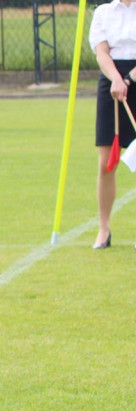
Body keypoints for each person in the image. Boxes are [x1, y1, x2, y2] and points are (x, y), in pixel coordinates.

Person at [90, 0, 136, 249]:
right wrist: (117, 79)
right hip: (111, 81)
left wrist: (128, 79)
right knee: (106, 162)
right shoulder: (103, 12)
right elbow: (101, 51)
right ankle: (103, 229)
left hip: (132, 77)